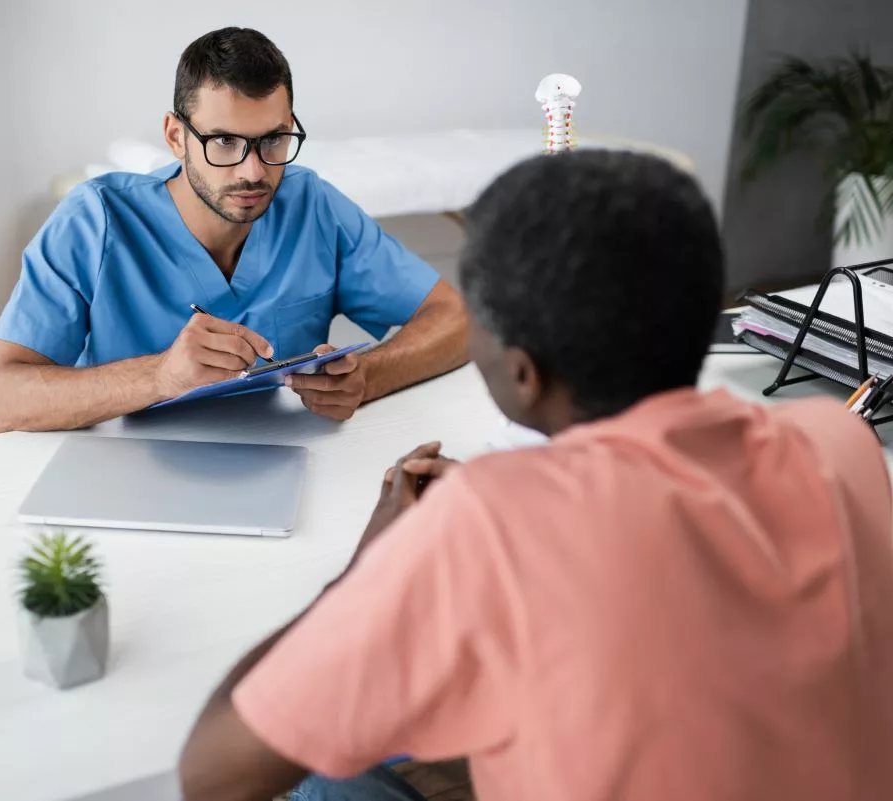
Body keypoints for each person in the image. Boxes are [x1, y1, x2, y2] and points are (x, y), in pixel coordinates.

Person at [176, 149, 893, 801]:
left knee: (324, 780)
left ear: (522, 372)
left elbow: (214, 771)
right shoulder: (837, 441)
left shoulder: (488, 525)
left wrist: (374, 567)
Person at [0, 27, 468, 434]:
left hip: (295, 458)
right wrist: (160, 376)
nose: (253, 170)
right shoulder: (95, 220)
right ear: (175, 137)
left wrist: (368, 377)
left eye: (273, 140)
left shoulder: (311, 204)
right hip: (128, 467)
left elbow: (457, 317)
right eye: (224, 141)